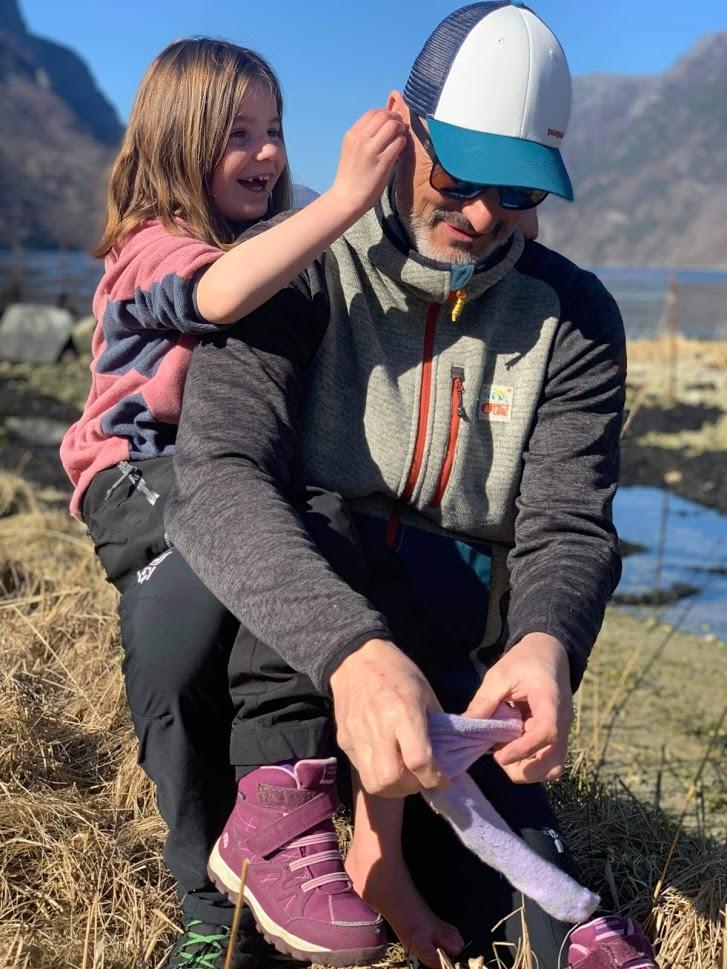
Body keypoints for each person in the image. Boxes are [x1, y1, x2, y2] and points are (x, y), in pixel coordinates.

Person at [165, 4, 664, 969]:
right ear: (402, 126)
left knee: (513, 894)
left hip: (456, 635)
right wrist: (352, 654)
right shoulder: (296, 264)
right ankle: (234, 868)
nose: (482, 214)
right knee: (223, 583)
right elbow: (218, 473)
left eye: (517, 189)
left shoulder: (575, 314)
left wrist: (546, 643)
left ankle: (557, 921)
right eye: (459, 176)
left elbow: (569, 523)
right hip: (297, 636)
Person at [59, 36, 411, 968]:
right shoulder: (149, 250)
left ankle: (278, 819)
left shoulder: (273, 246)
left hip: (233, 479)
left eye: (275, 130)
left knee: (301, 550)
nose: (267, 152)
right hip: (141, 479)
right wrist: (343, 199)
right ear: (179, 141)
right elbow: (216, 295)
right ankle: (206, 909)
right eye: (237, 134)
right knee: (173, 658)